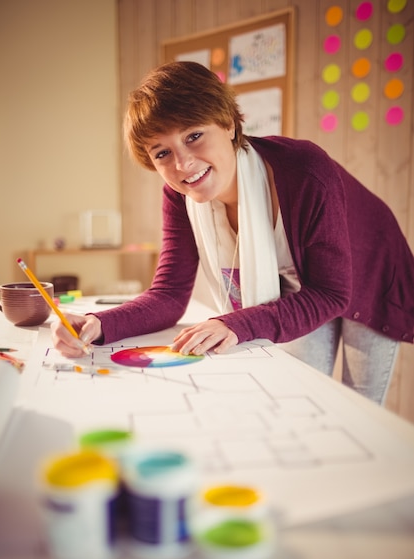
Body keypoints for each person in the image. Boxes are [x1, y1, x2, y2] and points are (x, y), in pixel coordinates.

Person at [51, 61, 414, 405]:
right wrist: (100, 323)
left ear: (228, 124)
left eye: (194, 136)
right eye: (162, 153)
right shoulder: (179, 194)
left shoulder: (305, 169)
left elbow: (332, 293)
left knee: (359, 404)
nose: (183, 165)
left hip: (369, 272)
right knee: (297, 397)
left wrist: (236, 324)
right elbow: (170, 293)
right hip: (302, 285)